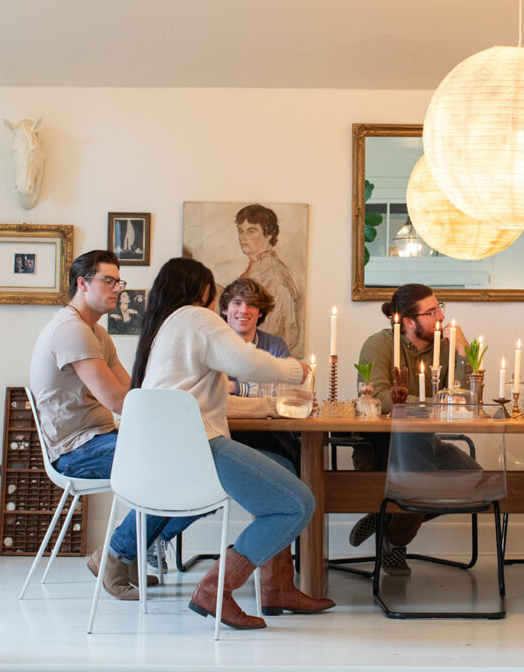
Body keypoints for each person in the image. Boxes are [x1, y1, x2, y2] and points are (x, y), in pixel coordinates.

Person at [132, 257, 333, 629]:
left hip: (170, 450)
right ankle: (214, 589)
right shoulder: (196, 317)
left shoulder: (167, 327)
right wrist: (297, 370)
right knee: (297, 503)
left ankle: (271, 589)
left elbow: (222, 398)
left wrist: (274, 404)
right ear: (206, 293)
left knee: (283, 486)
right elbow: (247, 363)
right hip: (198, 447)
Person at [29, 249, 183, 600]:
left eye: (118, 281)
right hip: (75, 451)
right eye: (108, 281)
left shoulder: (97, 333)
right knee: (171, 465)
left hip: (101, 437)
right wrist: (168, 417)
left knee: (181, 459)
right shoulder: (71, 330)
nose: (117, 289)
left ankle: (124, 558)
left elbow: (133, 392)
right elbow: (117, 400)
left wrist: (169, 402)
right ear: (83, 283)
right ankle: (114, 557)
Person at [347, 283, 481, 575]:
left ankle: (387, 524)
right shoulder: (379, 344)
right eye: (432, 312)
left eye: (440, 308)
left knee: (475, 481)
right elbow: (381, 398)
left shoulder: (444, 347)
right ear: (408, 321)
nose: (441, 317)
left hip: (424, 442)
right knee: (419, 482)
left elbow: (465, 397)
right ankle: (396, 542)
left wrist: (462, 348)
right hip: (379, 447)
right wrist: (437, 404)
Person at [219, 277, 300, 469]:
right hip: (226, 438)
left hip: (271, 439)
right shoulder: (215, 346)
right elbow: (213, 392)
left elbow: (285, 394)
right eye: (237, 303)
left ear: (261, 312)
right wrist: (259, 389)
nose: (244, 310)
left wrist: (234, 387)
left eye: (252, 305)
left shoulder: (275, 345)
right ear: (225, 309)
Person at [236, 203, 301, 356]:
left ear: (269, 234)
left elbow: (279, 335)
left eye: (251, 231)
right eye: (241, 231)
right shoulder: (254, 269)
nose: (244, 237)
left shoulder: (273, 276)